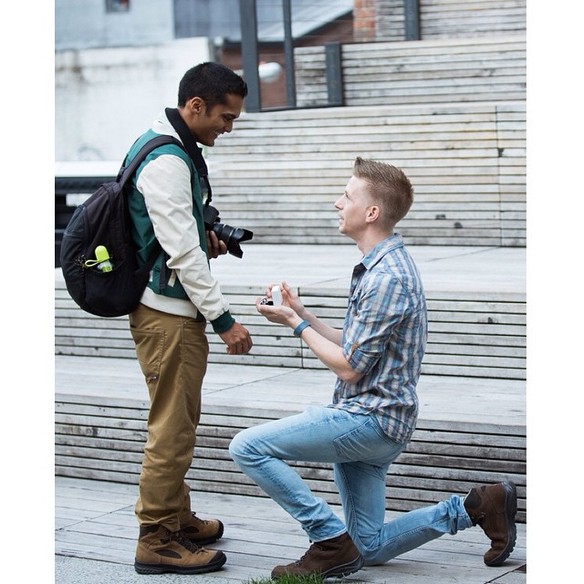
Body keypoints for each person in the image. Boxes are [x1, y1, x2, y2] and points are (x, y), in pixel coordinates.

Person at [229, 157, 517, 579]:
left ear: (371, 212)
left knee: (247, 447)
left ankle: (327, 539)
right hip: (378, 418)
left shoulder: (386, 277)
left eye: (346, 196)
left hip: (368, 420)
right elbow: (356, 343)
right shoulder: (379, 266)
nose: (336, 203)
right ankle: (474, 506)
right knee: (369, 546)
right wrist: (300, 310)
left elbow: (349, 368)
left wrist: (296, 325)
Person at [125, 62, 253, 575]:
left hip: (169, 309)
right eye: (225, 117)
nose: (229, 127)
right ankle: (156, 537)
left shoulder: (170, 145)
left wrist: (209, 236)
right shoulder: (167, 161)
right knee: (172, 429)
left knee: (178, 421)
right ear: (194, 107)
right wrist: (225, 321)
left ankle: (176, 516)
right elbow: (182, 254)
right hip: (167, 315)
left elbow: (176, 236)